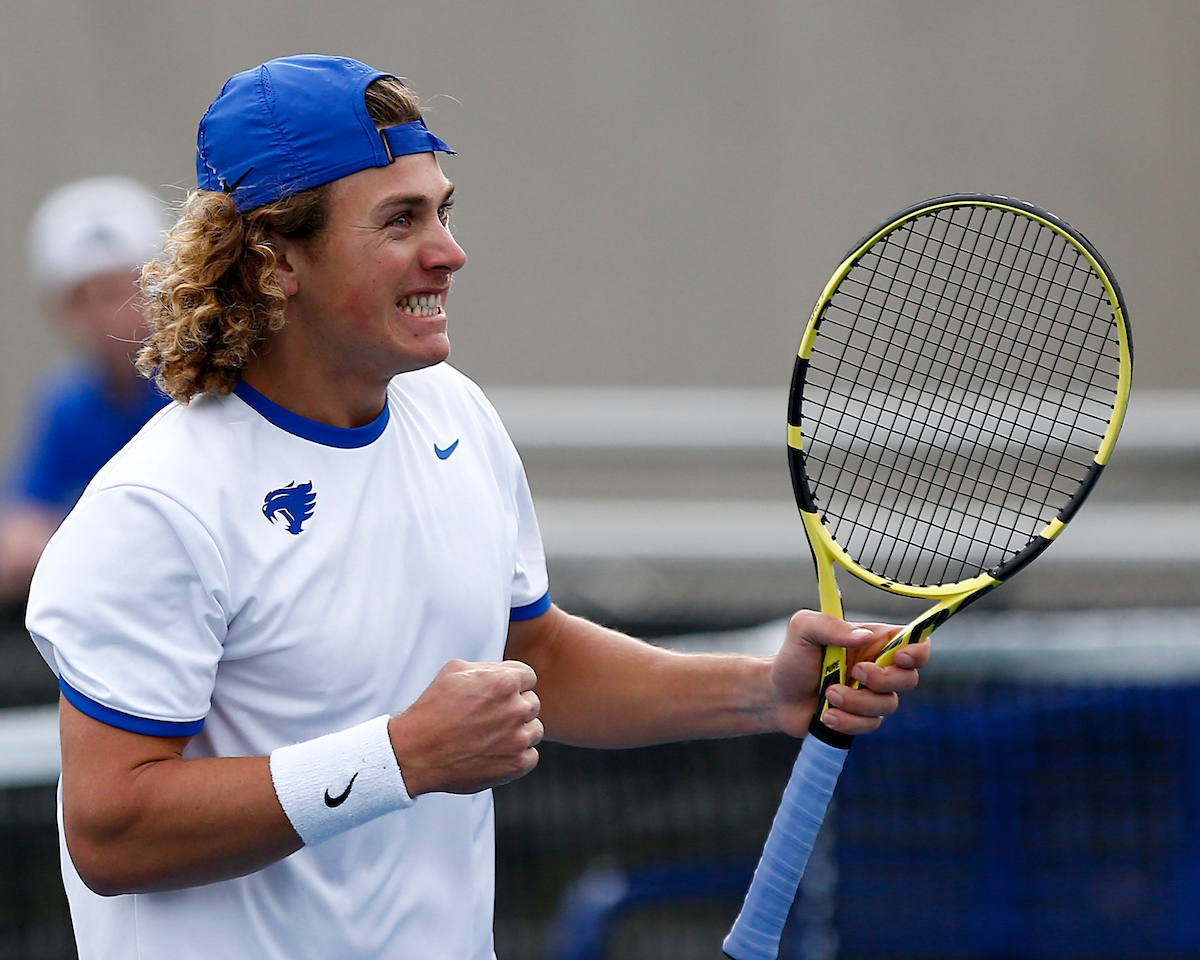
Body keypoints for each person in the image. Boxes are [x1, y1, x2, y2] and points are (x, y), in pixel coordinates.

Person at [25, 55, 929, 960]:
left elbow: (531, 655)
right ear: (274, 260)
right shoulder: (156, 507)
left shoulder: (450, 410)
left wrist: (758, 690)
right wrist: (401, 759)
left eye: (442, 210)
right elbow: (110, 831)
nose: (449, 251)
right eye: (400, 221)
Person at [0, 177, 169, 601]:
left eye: (115, 294)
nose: (103, 317)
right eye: (81, 300)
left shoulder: (208, 388)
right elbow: (24, 514)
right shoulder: (65, 401)